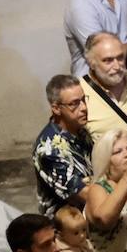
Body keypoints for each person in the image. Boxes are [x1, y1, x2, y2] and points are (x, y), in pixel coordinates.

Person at [31, 75, 94, 215]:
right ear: (56, 109)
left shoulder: (80, 131)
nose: (84, 108)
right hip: (66, 228)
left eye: (84, 100)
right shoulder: (49, 150)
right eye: (74, 103)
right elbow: (86, 195)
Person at [80, 31, 127, 142]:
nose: (117, 66)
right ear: (91, 63)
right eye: (108, 60)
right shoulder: (80, 92)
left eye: (120, 58)